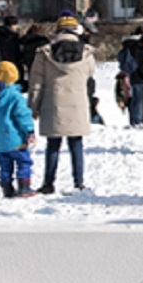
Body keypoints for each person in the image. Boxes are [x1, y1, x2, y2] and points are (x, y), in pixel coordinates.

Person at [30, 16, 94, 193]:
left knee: (53, 145)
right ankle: (79, 182)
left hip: (53, 103)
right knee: (76, 144)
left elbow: (36, 82)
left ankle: (48, 182)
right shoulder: (86, 53)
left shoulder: (44, 53)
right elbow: (90, 73)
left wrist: (33, 106)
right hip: (77, 103)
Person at [0, 60, 36, 198]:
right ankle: (24, 186)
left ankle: (7, 188)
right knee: (24, 161)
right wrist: (29, 130)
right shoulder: (14, 96)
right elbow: (22, 115)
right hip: (15, 138)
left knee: (5, 165)